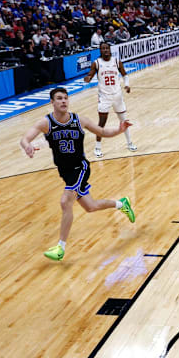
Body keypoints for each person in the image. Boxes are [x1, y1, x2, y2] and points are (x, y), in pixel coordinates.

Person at [19, 87, 136, 261]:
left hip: (79, 167)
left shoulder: (79, 120)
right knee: (91, 207)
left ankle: (60, 248)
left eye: (66, 98)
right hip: (65, 172)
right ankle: (121, 204)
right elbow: (25, 138)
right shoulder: (46, 123)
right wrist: (27, 145)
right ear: (52, 102)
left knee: (66, 201)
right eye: (59, 98)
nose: (64, 101)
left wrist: (119, 130)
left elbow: (102, 132)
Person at [84, 42, 136, 157]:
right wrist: (87, 78)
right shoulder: (96, 63)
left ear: (110, 49)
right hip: (104, 97)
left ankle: (130, 143)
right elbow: (90, 74)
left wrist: (126, 85)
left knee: (124, 122)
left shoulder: (116, 61)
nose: (105, 50)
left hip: (117, 96)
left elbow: (125, 75)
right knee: (101, 124)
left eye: (107, 48)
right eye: (103, 48)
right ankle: (97, 148)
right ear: (100, 51)